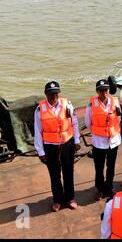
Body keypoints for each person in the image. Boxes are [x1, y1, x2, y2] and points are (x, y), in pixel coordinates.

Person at [34, 81, 81, 212]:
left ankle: (70, 198)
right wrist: (40, 151)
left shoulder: (68, 105)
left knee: (68, 172)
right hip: (50, 146)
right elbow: (38, 131)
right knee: (54, 175)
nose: (54, 96)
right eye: (51, 94)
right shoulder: (39, 110)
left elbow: (75, 123)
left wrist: (77, 140)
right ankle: (57, 199)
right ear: (46, 94)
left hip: (67, 144)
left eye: (56, 93)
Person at [85, 79, 121, 201]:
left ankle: (109, 187)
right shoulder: (91, 105)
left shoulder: (115, 102)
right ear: (97, 91)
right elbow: (87, 122)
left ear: (108, 90)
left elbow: (118, 120)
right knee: (99, 167)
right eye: (101, 90)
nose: (103, 92)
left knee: (111, 166)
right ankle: (100, 189)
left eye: (105, 90)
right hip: (99, 142)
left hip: (113, 141)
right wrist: (98, 132)